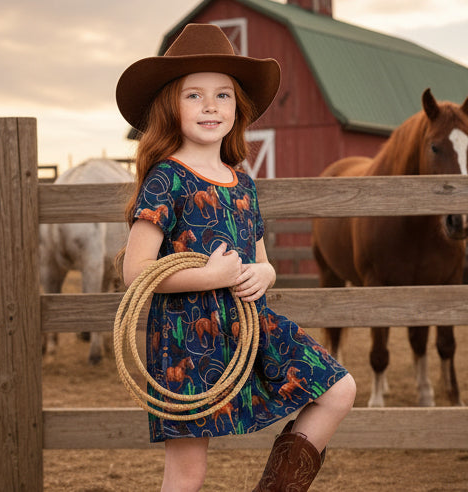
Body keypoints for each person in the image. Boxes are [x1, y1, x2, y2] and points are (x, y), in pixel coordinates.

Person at [115, 23, 356, 492]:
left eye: (223, 95)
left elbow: (262, 260)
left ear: (237, 108)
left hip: (250, 326)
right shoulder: (167, 179)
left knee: (338, 390)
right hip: (189, 340)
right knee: (189, 472)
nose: (210, 106)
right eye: (194, 95)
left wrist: (262, 272)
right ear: (171, 105)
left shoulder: (242, 183)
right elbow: (135, 272)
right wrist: (211, 275)